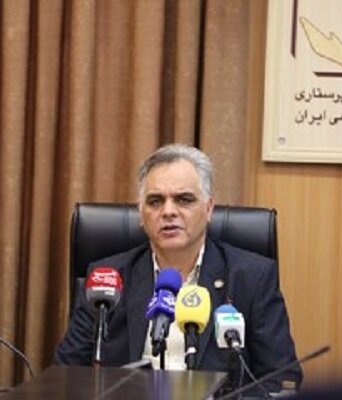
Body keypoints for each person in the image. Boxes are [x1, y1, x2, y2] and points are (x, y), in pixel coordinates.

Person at [54, 143, 303, 395]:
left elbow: (281, 380)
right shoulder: (108, 279)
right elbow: (65, 375)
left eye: (184, 200)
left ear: (208, 208)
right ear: (141, 213)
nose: (168, 211)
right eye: (155, 201)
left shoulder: (251, 277)